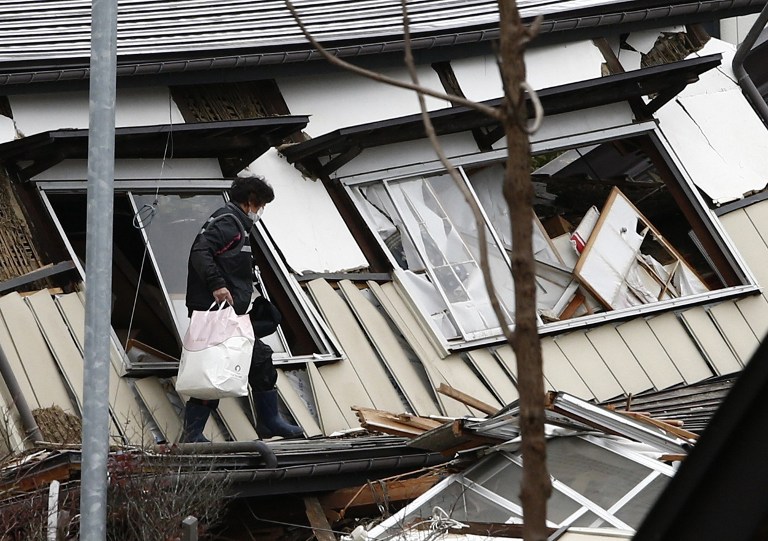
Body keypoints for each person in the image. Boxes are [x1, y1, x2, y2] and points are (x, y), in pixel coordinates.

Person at [181, 174, 304, 442]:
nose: (261, 211)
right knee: (220, 365)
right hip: (217, 313)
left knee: (256, 359)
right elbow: (200, 252)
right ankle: (194, 435)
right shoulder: (229, 224)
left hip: (225, 313)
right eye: (261, 205)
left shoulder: (233, 222)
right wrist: (217, 285)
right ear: (251, 201)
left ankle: (268, 422)